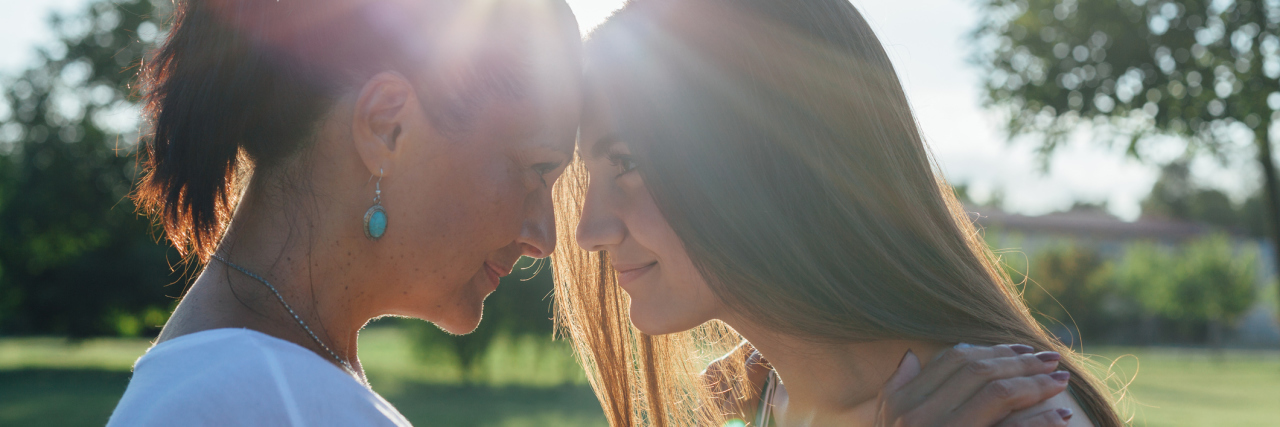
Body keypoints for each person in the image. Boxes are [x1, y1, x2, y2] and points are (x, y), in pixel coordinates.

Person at [553, 0, 1123, 426]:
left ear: (775, 158)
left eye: (627, 163)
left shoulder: (999, 414)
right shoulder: (774, 397)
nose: (588, 231)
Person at [109, 0, 582, 424]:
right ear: (386, 128)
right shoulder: (232, 404)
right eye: (537, 170)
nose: (543, 237)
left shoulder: (249, 385)